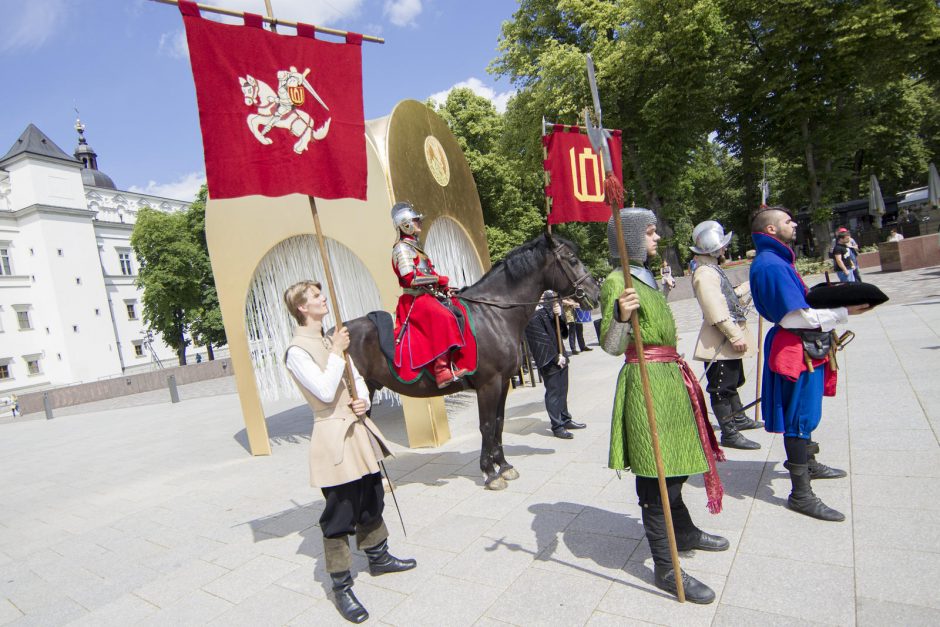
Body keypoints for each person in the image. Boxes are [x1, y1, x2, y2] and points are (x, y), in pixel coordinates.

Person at [601, 207, 728, 604]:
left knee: (677, 463)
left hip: (670, 379)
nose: (657, 239)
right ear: (632, 239)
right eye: (652, 233)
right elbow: (610, 345)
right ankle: (666, 566)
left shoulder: (644, 276)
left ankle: (685, 530)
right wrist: (621, 315)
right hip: (645, 383)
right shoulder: (615, 281)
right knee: (657, 477)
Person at [283, 280, 416, 623]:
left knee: (372, 496)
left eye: (320, 293)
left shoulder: (331, 340)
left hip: (357, 428)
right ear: (301, 307)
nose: (322, 298)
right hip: (332, 436)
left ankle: (378, 556)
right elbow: (325, 392)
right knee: (341, 510)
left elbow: (356, 379)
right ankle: (341, 586)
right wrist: (335, 351)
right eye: (315, 296)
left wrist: (363, 400)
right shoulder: (297, 351)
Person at [750, 208, 869, 522]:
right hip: (796, 347)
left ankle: (809, 464)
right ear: (772, 229)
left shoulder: (777, 259)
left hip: (802, 345)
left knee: (806, 413)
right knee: (799, 418)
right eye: (789, 221)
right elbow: (794, 316)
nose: (795, 224)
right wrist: (845, 311)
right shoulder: (771, 264)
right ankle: (800, 494)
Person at [689, 220, 762, 451]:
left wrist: (749, 285)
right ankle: (729, 432)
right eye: (721, 246)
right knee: (721, 386)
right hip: (719, 338)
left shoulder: (711, 269)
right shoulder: (704, 273)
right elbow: (715, 310)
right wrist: (734, 335)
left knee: (733, 381)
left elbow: (728, 299)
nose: (725, 249)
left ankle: (738, 418)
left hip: (727, 335)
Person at [390, 202, 469, 388]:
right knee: (445, 317)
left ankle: (456, 360)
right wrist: (438, 279)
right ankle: (441, 371)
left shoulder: (415, 247)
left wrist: (443, 287)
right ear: (405, 225)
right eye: (416, 220)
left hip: (427, 294)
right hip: (415, 298)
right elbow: (410, 279)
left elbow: (425, 274)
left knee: (458, 307)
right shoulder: (402, 249)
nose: (420, 223)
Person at [524, 291, 587, 439]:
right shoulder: (528, 310)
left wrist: (558, 315)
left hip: (561, 355)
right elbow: (539, 339)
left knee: (563, 389)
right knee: (553, 391)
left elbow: (561, 332)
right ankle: (557, 426)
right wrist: (554, 357)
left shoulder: (547, 305)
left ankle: (565, 418)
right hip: (548, 358)